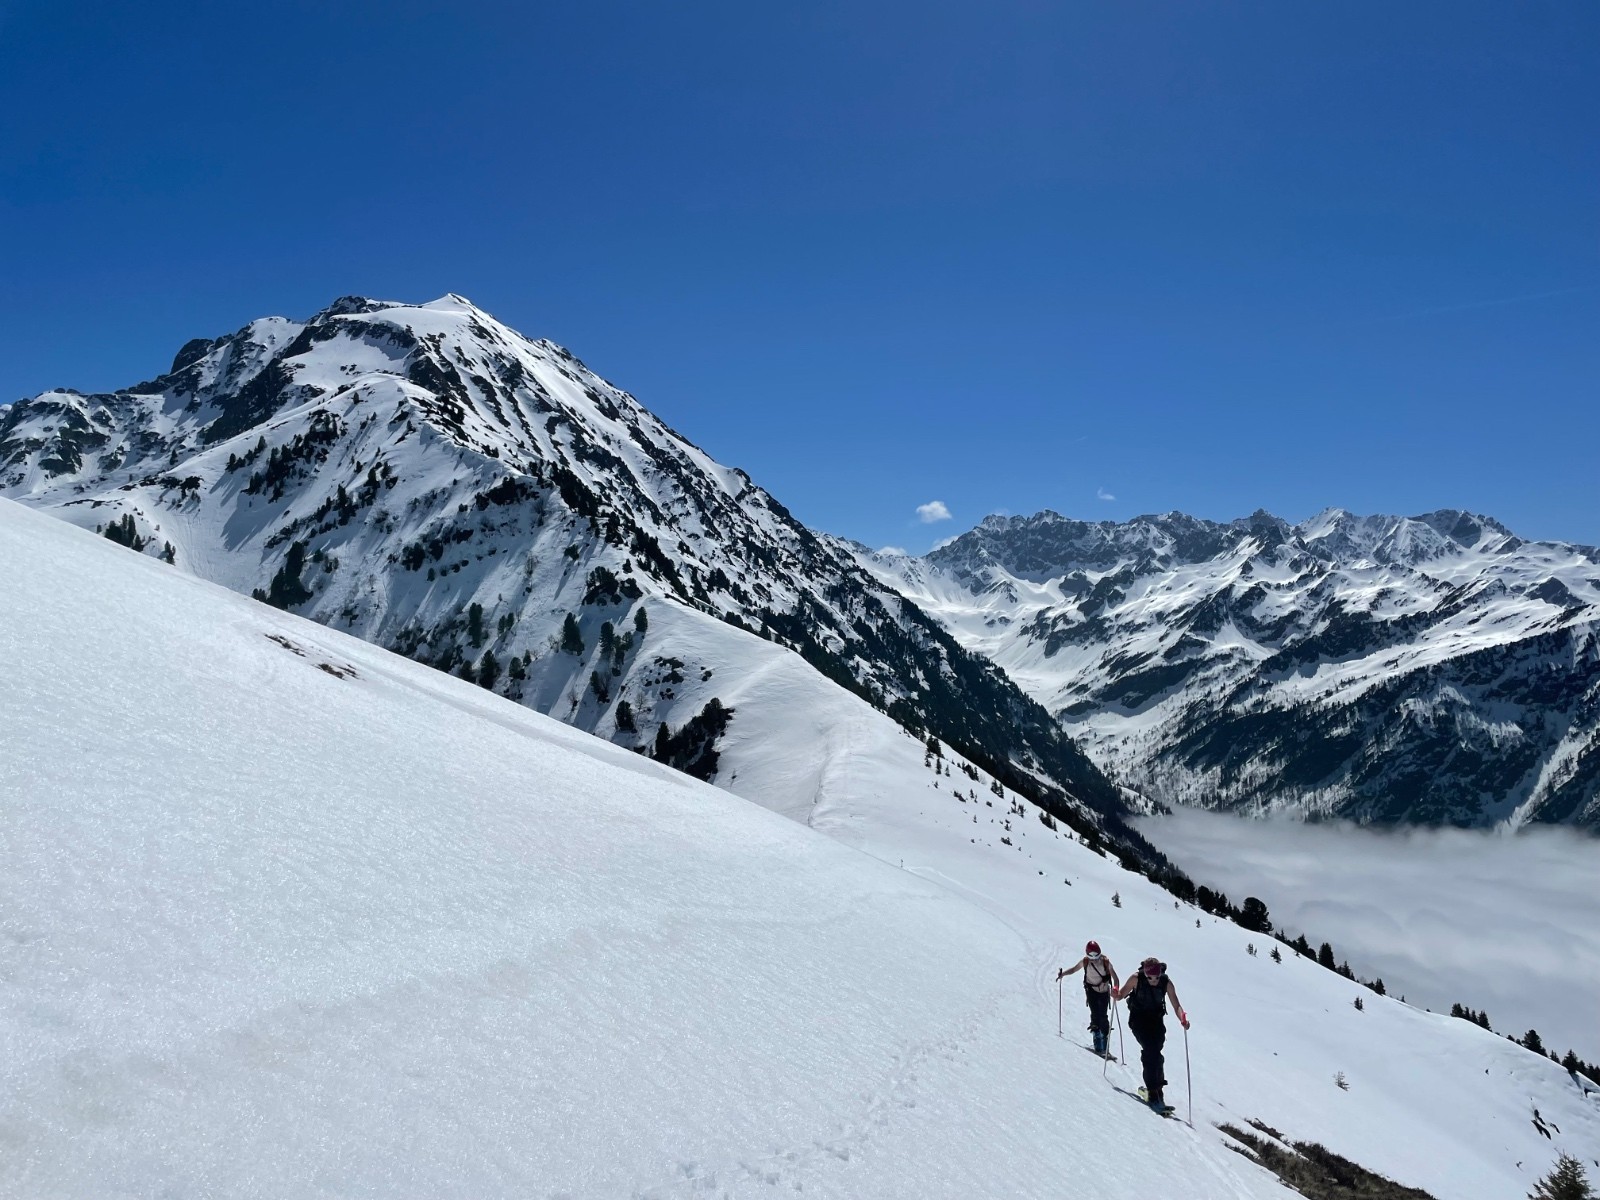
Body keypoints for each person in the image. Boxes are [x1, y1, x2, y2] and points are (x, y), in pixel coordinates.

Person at [1114, 957, 1189, 1112]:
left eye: (1156, 977)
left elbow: (1176, 1005)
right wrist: (1115, 994)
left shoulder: (1166, 983)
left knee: (1156, 1054)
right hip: (1138, 1021)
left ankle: (1157, 1091)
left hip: (1156, 1022)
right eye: (1150, 977)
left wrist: (1182, 1018)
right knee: (1150, 1052)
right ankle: (1154, 1093)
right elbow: (1121, 995)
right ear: (1145, 973)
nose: (1153, 980)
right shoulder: (1136, 979)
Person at [1057, 941, 1120, 1055]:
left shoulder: (1105, 962)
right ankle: (1099, 1044)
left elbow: (1115, 978)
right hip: (1091, 992)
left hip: (1104, 992)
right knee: (1095, 1015)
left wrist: (1115, 988)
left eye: (1096, 956)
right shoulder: (1085, 961)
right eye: (1091, 956)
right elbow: (1074, 969)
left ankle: (1103, 1045)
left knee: (1103, 1016)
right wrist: (1063, 974)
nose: (1094, 959)